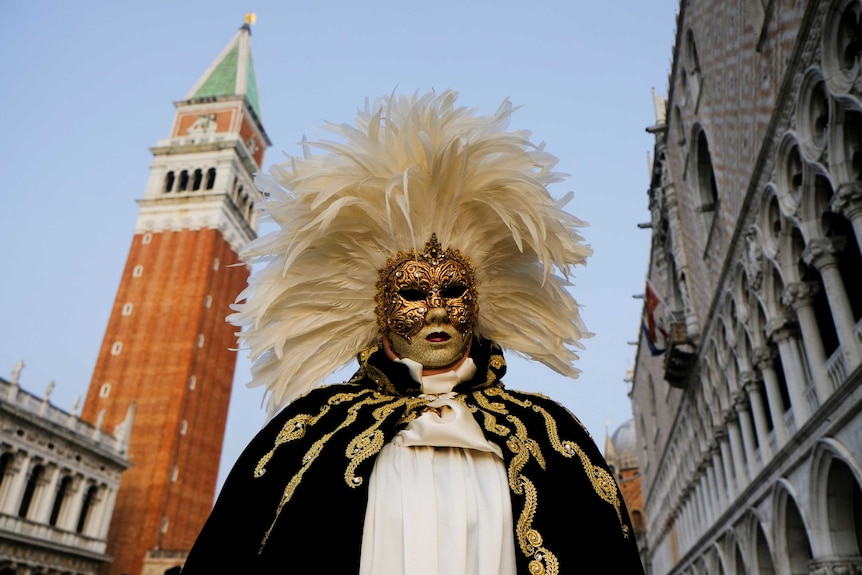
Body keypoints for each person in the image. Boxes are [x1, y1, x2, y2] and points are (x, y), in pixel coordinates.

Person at [182, 91, 645, 574]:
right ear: (380, 308)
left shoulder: (552, 437)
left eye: (453, 290)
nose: (437, 311)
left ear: (480, 300)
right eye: (413, 294)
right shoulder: (306, 436)